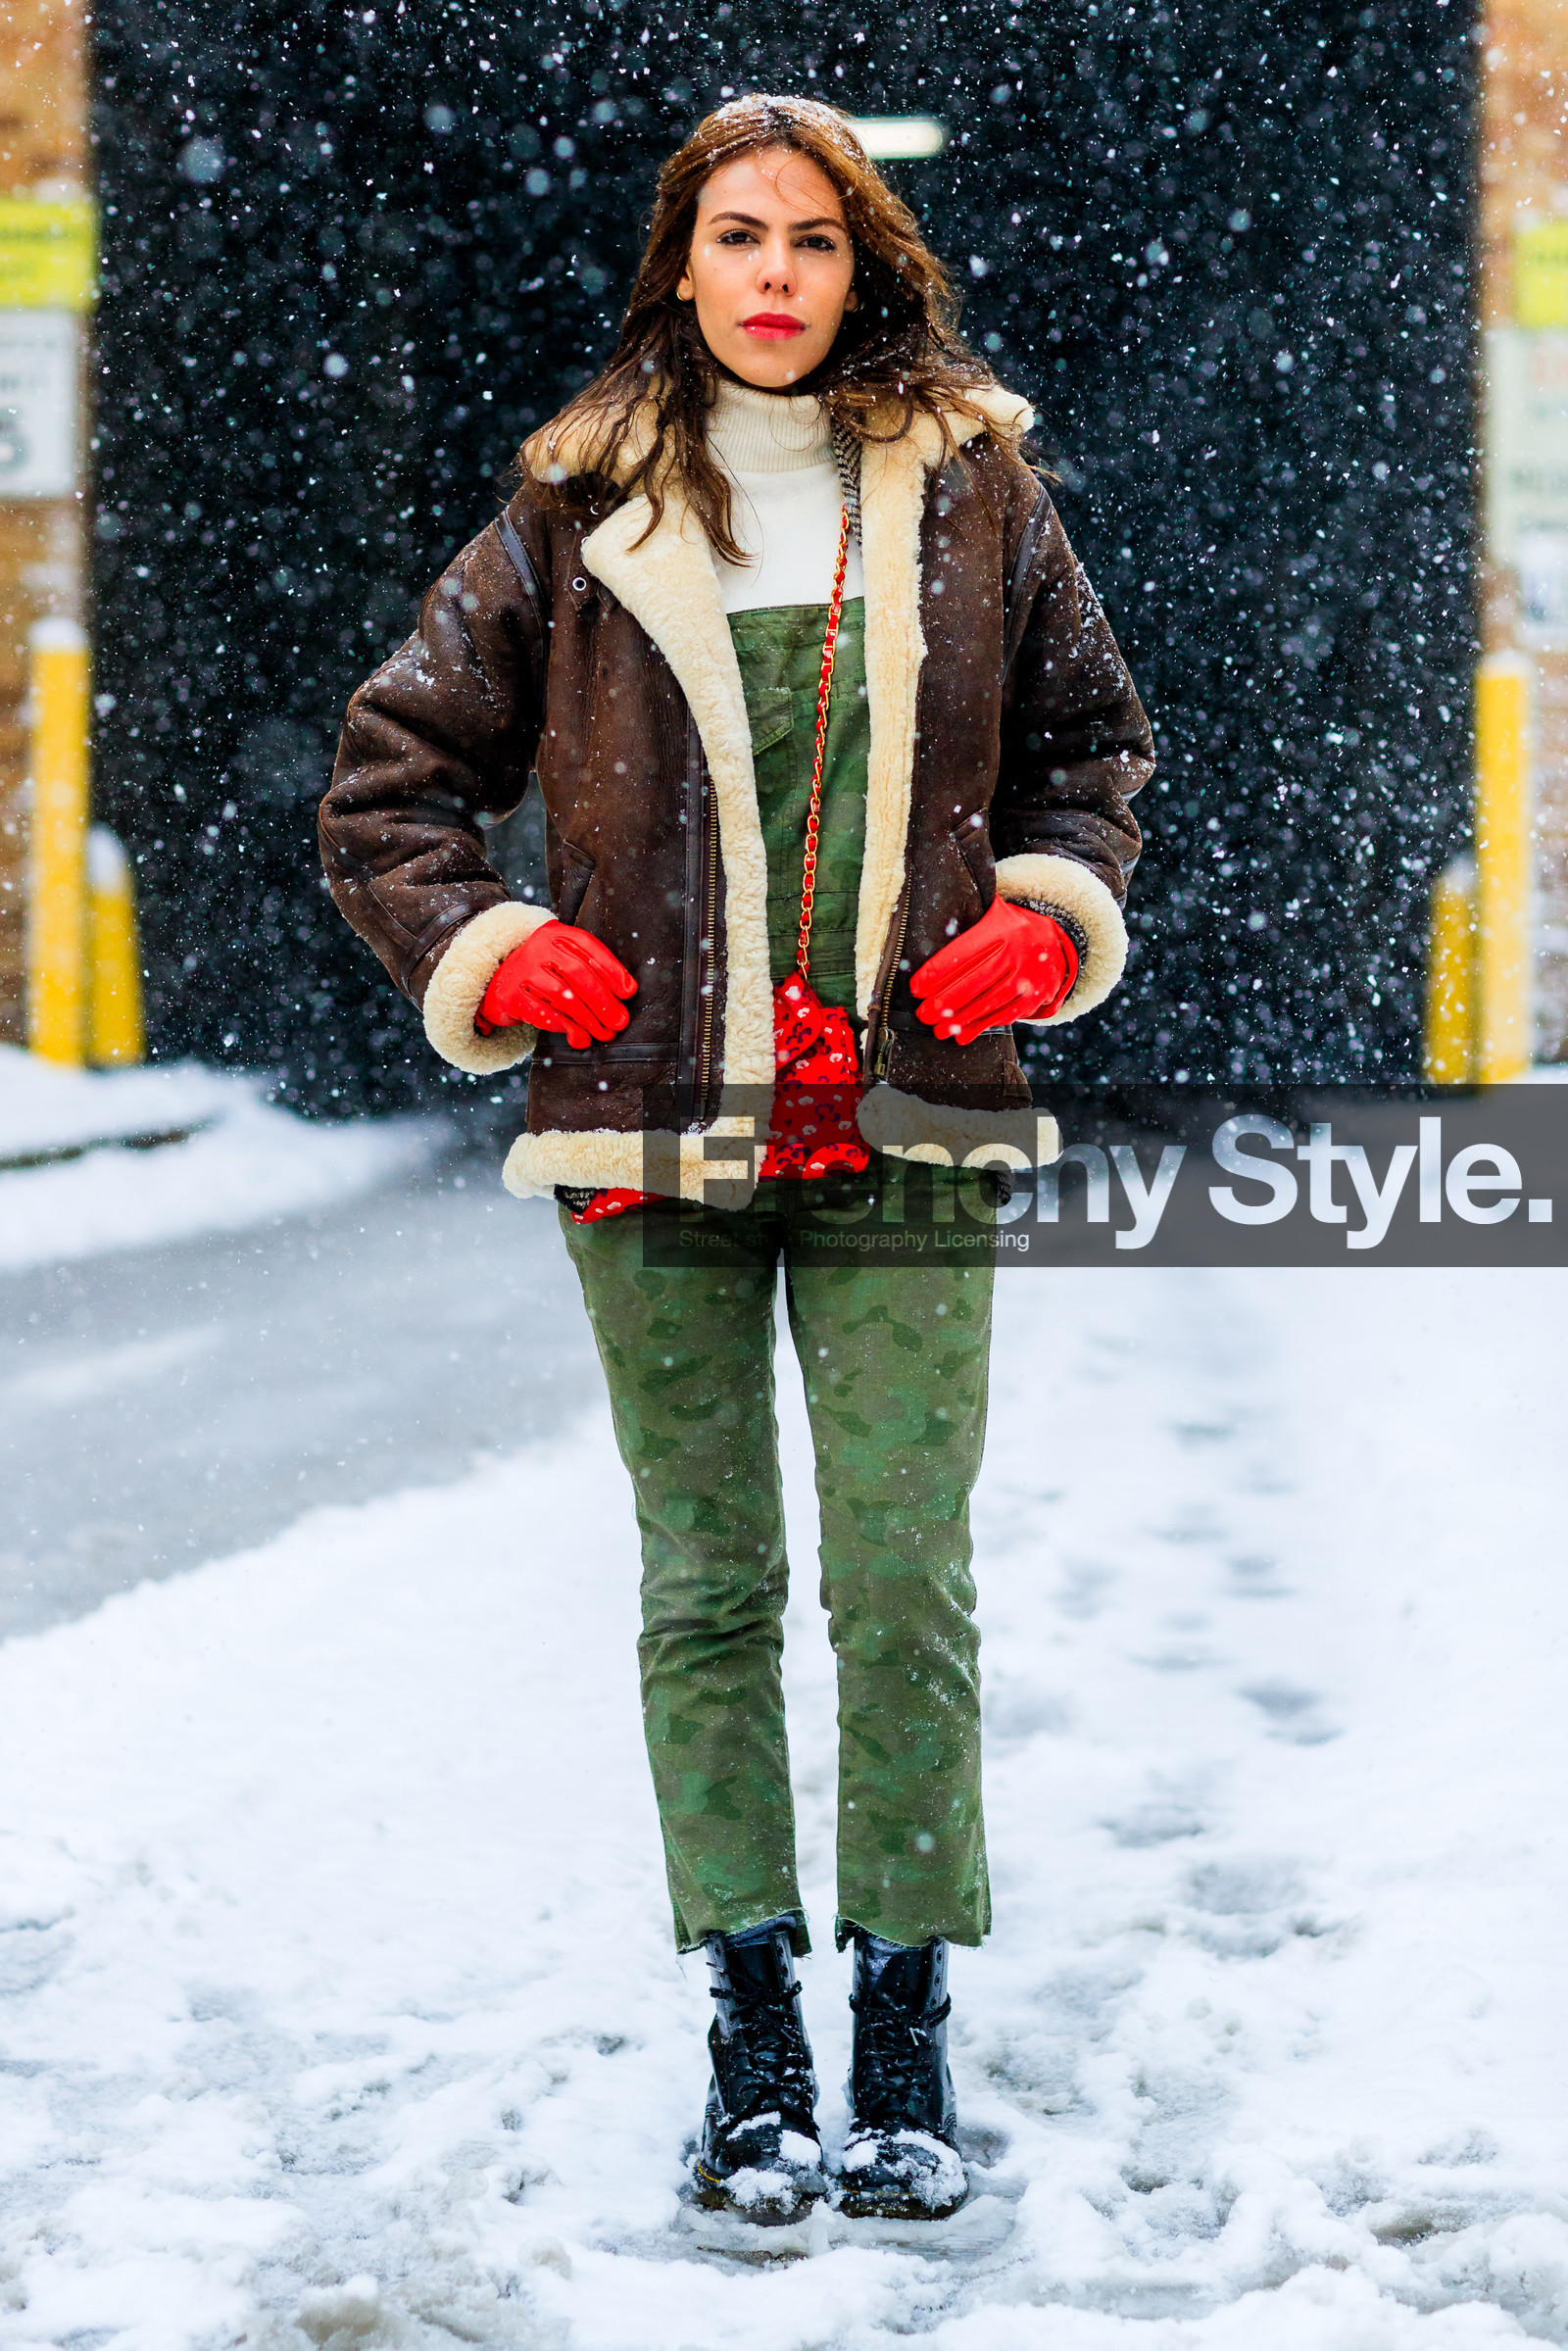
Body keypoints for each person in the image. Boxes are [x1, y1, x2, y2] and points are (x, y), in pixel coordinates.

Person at [320, 92, 1152, 2227]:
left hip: (905, 1130)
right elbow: (388, 784)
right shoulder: (568, 511)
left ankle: (903, 2021)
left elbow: (1091, 752)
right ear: (678, 270)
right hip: (643, 1139)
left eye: (809, 240)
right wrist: (508, 958)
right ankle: (751, 2030)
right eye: (735, 239)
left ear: (860, 265)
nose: (773, 275)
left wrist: (1036, 920)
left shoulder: (977, 495)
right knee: (706, 1588)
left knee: (898, 1581)